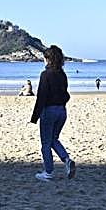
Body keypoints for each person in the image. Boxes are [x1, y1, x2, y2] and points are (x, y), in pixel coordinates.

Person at [31, 45, 75, 181]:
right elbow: (65, 94)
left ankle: (48, 172)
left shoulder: (46, 74)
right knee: (53, 139)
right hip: (62, 110)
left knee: (45, 142)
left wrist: (34, 117)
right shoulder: (62, 74)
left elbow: (42, 96)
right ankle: (67, 160)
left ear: (48, 59)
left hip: (49, 111)